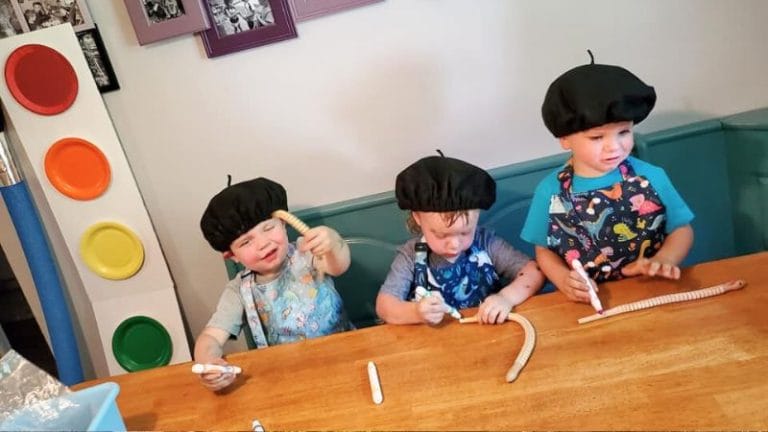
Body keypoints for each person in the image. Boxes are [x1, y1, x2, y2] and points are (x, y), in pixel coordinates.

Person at [520, 53, 695, 305]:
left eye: (624, 132)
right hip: (591, 303)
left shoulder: (652, 176)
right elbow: (544, 251)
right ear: (565, 139)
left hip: (654, 292)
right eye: (597, 137)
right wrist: (563, 280)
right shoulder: (549, 192)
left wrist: (665, 260)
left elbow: (681, 229)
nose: (614, 147)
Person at [195, 177, 353, 391]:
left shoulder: (307, 253)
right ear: (232, 256)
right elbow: (211, 337)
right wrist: (208, 362)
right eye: (246, 242)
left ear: (284, 223)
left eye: (268, 228)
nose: (263, 243)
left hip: (347, 358)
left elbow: (339, 265)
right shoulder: (238, 290)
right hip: (288, 378)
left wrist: (332, 242)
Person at [376, 154, 545, 325]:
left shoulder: (486, 243)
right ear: (418, 218)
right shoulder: (410, 256)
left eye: (465, 233)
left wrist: (506, 298)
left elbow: (534, 272)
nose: (454, 245)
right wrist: (416, 312)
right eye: (441, 235)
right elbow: (384, 306)